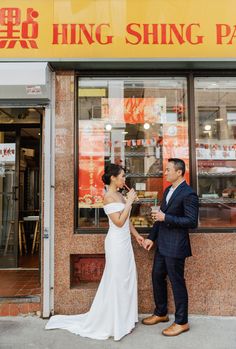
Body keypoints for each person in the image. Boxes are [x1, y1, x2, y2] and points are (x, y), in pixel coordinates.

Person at [45, 163, 144, 341]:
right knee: (116, 279)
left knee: (126, 278)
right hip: (115, 244)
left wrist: (136, 236)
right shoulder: (108, 197)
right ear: (113, 178)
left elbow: (127, 220)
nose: (124, 179)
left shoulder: (120, 195)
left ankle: (125, 318)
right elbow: (119, 222)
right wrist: (129, 202)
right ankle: (113, 321)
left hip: (125, 243)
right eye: (122, 176)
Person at [142, 158, 198, 337]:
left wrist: (165, 218)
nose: (164, 173)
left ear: (179, 172)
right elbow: (160, 217)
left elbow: (191, 221)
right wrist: (151, 238)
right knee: (157, 276)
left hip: (176, 246)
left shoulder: (188, 193)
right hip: (162, 244)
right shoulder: (168, 190)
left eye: (168, 170)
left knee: (177, 282)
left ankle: (182, 322)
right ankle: (161, 313)